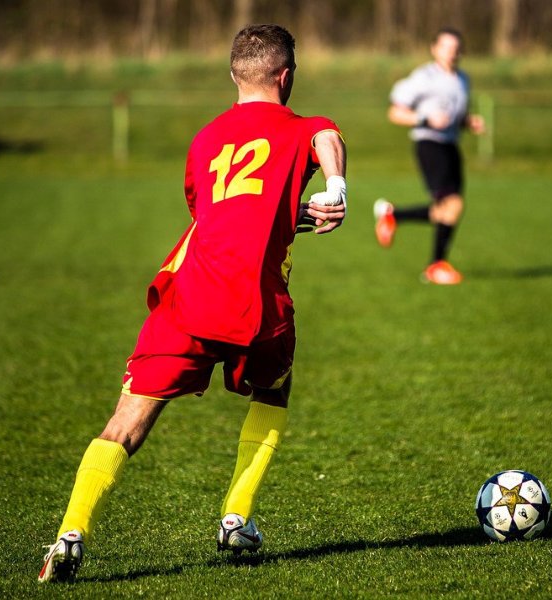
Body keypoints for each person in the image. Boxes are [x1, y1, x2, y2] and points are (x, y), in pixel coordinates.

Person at [38, 24, 347, 583]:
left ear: (233, 75)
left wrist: (286, 216)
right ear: (286, 75)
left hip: (190, 299)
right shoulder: (302, 127)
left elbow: (215, 216)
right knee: (274, 388)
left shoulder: (205, 139)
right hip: (257, 304)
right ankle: (236, 516)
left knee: (126, 423)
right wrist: (335, 187)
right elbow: (327, 138)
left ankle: (70, 533)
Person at [373, 27, 485, 285]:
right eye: (446, 46)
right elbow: (394, 112)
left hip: (451, 145)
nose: (451, 52)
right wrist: (425, 118)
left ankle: (393, 216)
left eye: (456, 47)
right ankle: (436, 266)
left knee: (445, 211)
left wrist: (469, 122)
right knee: (453, 205)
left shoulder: (463, 80)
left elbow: (455, 117)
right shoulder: (424, 77)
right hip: (429, 144)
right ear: (434, 49)